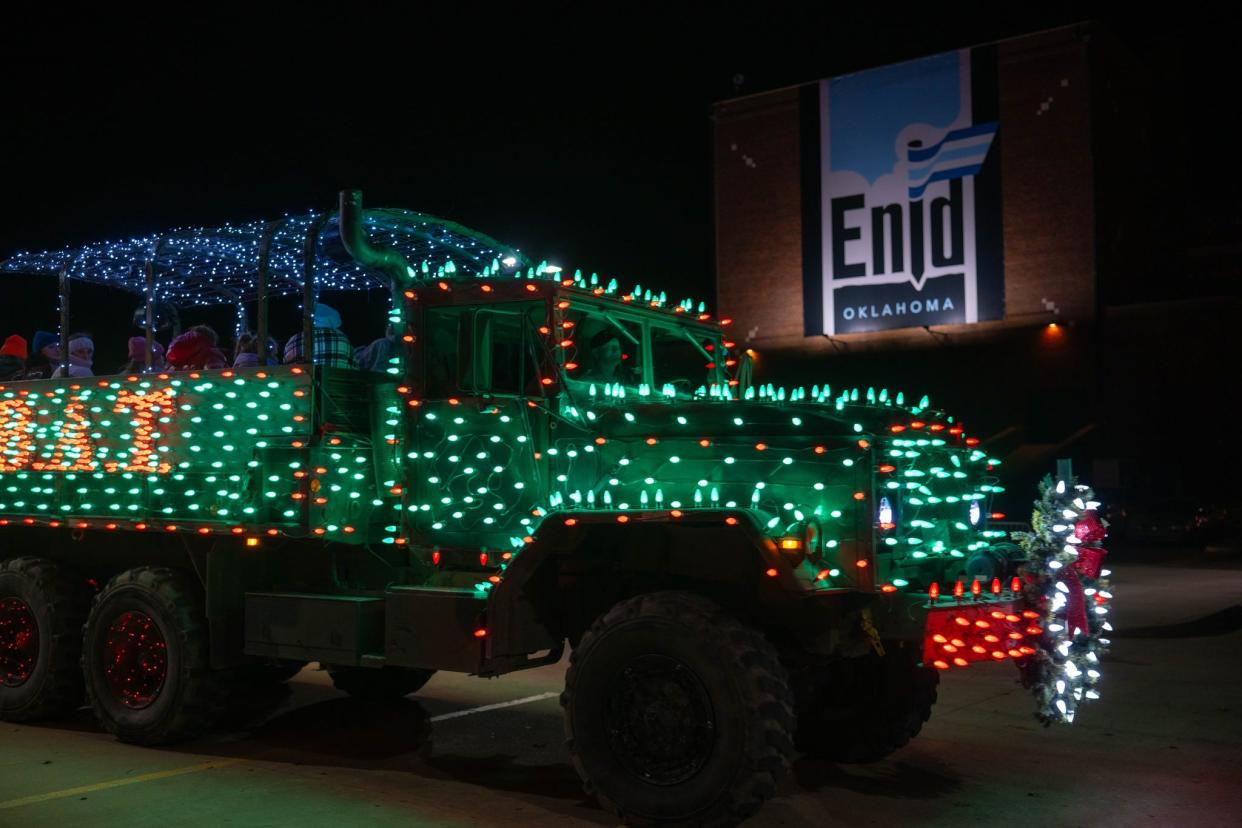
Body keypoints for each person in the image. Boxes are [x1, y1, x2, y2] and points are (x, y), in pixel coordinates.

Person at [282, 303, 355, 368]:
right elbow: (354, 366)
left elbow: (286, 366)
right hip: (337, 382)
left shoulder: (294, 339)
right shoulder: (342, 338)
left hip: (302, 382)